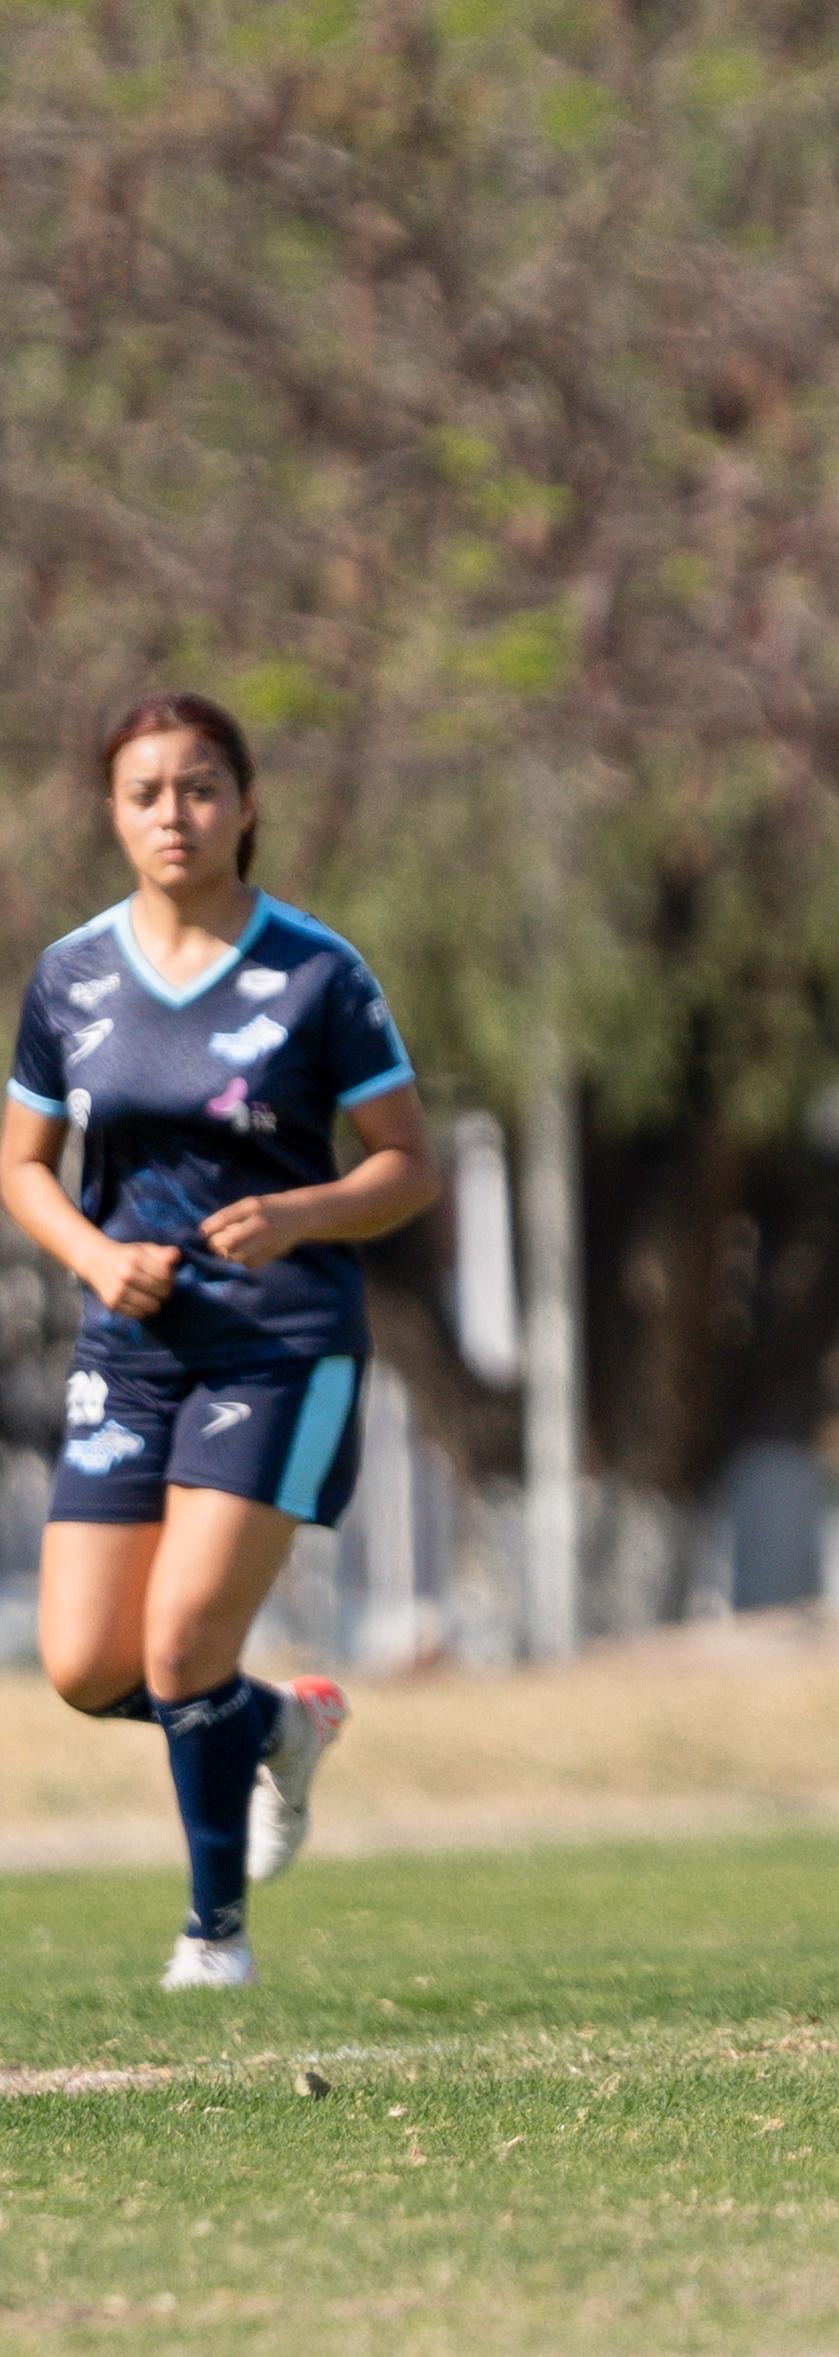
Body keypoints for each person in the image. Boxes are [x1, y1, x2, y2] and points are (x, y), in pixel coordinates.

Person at [2, 692, 438, 1990]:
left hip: (280, 1344)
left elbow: (407, 1164)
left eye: (199, 787)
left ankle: (213, 1935)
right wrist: (93, 1258)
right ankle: (277, 1726)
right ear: (112, 811)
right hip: (129, 1350)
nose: (174, 814)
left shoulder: (317, 972)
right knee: (88, 1665)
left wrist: (302, 1213)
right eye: (145, 792)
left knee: (184, 1639)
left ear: (245, 804)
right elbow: (22, 1164)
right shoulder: (71, 976)